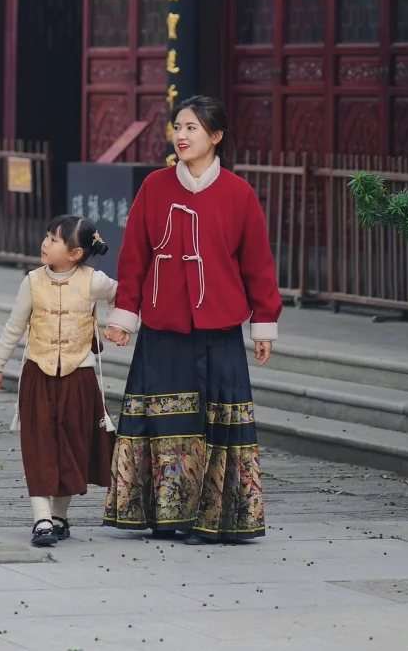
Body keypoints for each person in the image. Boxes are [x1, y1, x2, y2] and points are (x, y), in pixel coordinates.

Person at [103, 95, 281, 543]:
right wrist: (125, 315)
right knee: (166, 420)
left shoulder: (238, 193)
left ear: (216, 136)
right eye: (177, 127)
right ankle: (168, 516)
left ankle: (216, 518)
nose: (181, 136)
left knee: (217, 422)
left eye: (192, 128)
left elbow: (258, 264)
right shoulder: (155, 187)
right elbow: (134, 258)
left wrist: (264, 321)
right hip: (163, 326)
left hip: (220, 328)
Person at [0, 215, 117, 547]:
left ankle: (59, 516)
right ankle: (42, 519)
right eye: (47, 236)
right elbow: (15, 326)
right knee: (38, 445)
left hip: (80, 377)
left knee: (72, 446)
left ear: (75, 253)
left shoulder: (94, 281)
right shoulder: (32, 281)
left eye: (54, 240)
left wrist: (117, 324)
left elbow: (122, 294)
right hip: (38, 374)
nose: (45, 243)